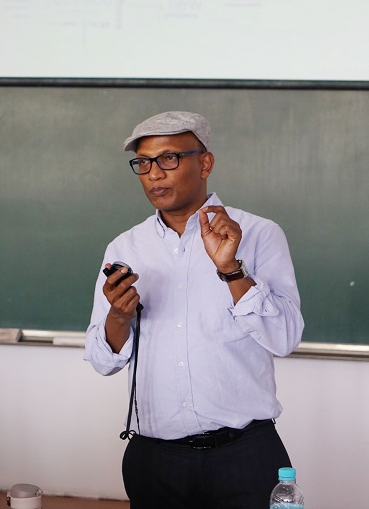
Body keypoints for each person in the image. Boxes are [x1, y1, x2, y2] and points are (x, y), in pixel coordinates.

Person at [84, 111, 304, 509]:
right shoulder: (125, 248)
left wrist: (231, 270)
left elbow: (285, 339)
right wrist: (118, 316)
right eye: (143, 162)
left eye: (169, 158)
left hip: (244, 453)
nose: (154, 174)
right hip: (155, 458)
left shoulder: (258, 234)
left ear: (205, 163)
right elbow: (102, 361)